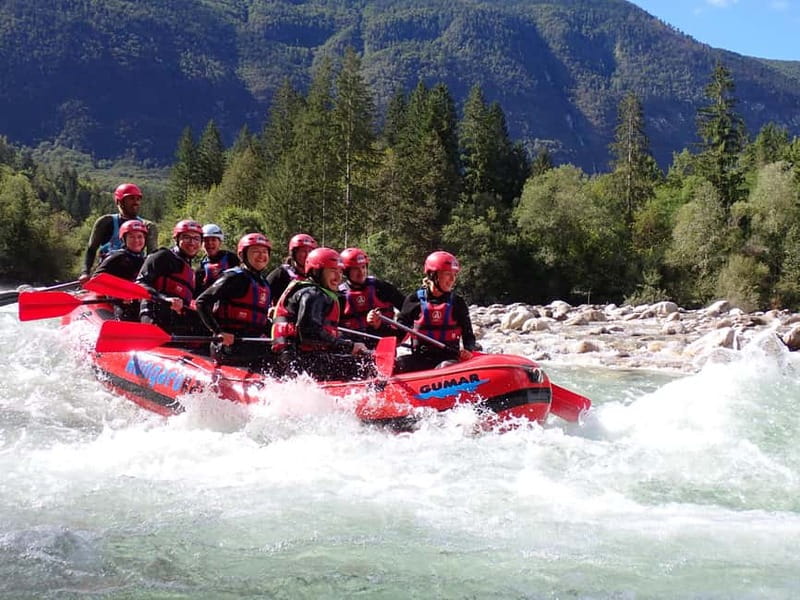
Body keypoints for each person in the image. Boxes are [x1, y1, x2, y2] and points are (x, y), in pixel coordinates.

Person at [271, 247, 370, 380]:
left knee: (352, 360)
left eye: (340, 271)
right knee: (364, 367)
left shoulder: (313, 292)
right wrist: (349, 346)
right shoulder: (312, 294)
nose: (338, 277)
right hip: (298, 360)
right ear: (317, 271)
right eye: (333, 271)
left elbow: (322, 333)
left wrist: (348, 342)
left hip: (297, 359)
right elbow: (309, 333)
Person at [394, 251, 481, 374]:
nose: (452, 279)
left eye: (454, 274)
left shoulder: (457, 302)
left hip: (449, 359)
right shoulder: (414, 300)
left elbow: (468, 336)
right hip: (421, 358)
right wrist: (377, 325)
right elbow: (400, 333)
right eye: (447, 274)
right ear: (432, 275)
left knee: (445, 366)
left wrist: (468, 350)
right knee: (397, 364)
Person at [195, 233, 273, 369]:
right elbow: (202, 302)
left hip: (252, 343)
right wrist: (218, 332)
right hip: (229, 346)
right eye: (255, 252)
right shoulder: (233, 277)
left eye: (264, 252)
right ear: (242, 256)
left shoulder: (263, 283)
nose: (261, 255)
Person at [136, 219, 205, 336]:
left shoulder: (191, 272)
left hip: (176, 321)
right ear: (177, 239)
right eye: (186, 237)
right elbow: (140, 283)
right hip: (154, 314)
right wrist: (164, 299)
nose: (192, 242)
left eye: (196, 239)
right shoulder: (162, 256)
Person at [79, 182, 158, 283]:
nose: (135, 202)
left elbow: (152, 256)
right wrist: (85, 272)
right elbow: (91, 249)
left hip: (134, 275)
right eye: (131, 198)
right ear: (119, 201)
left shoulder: (148, 226)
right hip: (108, 272)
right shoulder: (105, 222)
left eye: (138, 199)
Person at [338, 247, 405, 348]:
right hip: (355, 347)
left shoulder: (382, 288)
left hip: (384, 341)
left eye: (363, 267)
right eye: (355, 269)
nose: (361, 272)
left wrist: (382, 326)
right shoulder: (339, 295)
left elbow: (407, 311)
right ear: (346, 271)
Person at [92, 220, 149, 321]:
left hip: (138, 300)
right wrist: (118, 294)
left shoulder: (146, 260)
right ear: (124, 239)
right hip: (119, 301)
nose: (136, 240)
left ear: (144, 239)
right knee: (127, 314)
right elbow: (96, 280)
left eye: (140, 237)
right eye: (131, 237)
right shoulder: (116, 257)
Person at [266, 233, 317, 304]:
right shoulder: (281, 274)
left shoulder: (316, 277)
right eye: (303, 251)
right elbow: (263, 295)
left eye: (310, 251)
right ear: (294, 253)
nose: (307, 255)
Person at [195, 223, 240, 293]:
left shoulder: (231, 258)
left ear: (220, 242)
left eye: (213, 240)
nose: (210, 243)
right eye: (206, 240)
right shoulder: (201, 268)